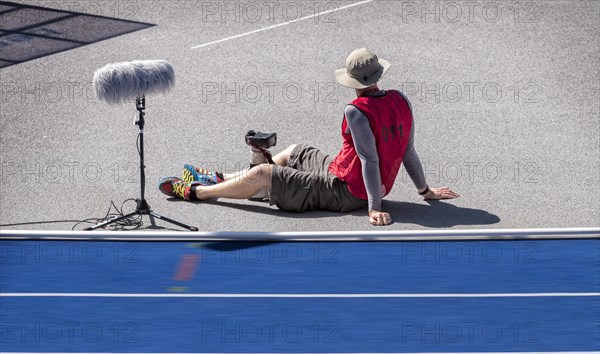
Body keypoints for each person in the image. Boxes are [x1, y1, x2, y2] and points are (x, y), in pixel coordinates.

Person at [159, 48, 459, 226]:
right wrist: (425, 191)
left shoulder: (357, 110)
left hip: (347, 191)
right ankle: (221, 177)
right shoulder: (401, 100)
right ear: (378, 76)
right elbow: (408, 152)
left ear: (354, 81)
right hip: (342, 171)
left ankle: (198, 191)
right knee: (294, 151)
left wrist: (374, 206)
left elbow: (370, 159)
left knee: (266, 172)